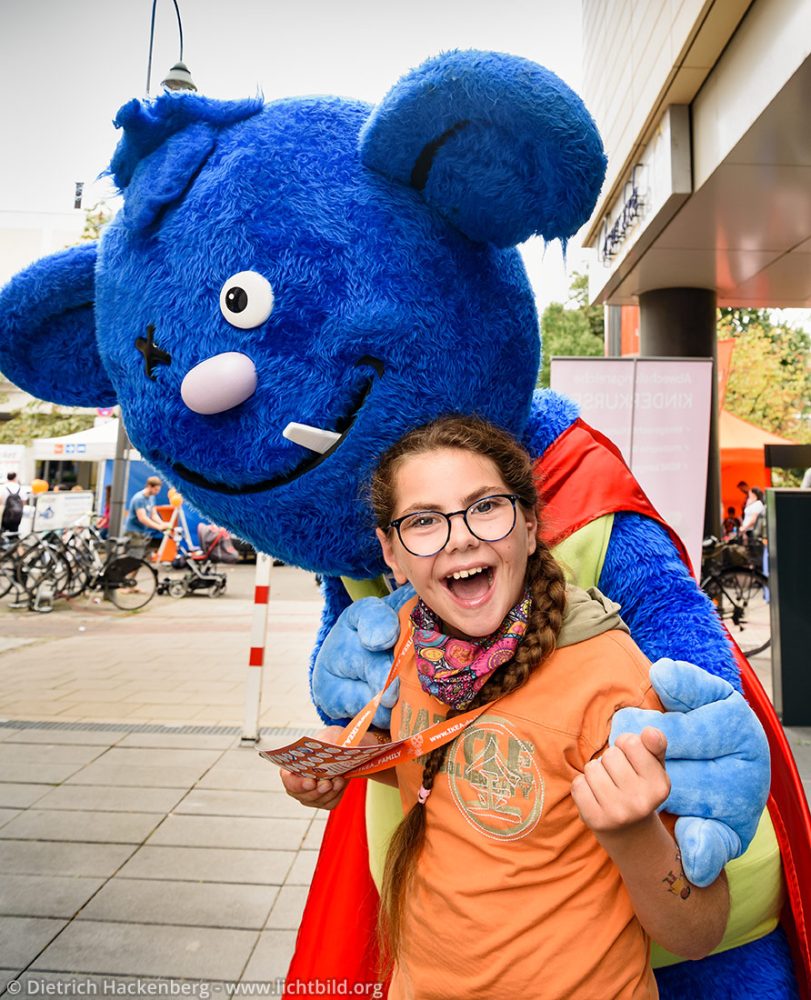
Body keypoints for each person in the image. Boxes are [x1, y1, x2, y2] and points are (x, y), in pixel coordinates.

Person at [282, 416, 729, 999]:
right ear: (391, 553)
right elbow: (450, 779)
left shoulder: (614, 679)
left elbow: (700, 931)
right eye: (422, 521)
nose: (460, 537)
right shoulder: (405, 641)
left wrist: (635, 833)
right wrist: (349, 763)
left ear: (529, 524)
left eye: (485, 507)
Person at [125, 476, 168, 556]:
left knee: (139, 555)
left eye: (158, 490)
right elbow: (142, 518)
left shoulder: (152, 497)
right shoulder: (139, 498)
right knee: (134, 556)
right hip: (133, 531)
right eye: (156, 490)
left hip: (141, 530)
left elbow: (153, 514)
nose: (157, 492)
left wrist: (161, 524)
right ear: (149, 486)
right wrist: (158, 527)